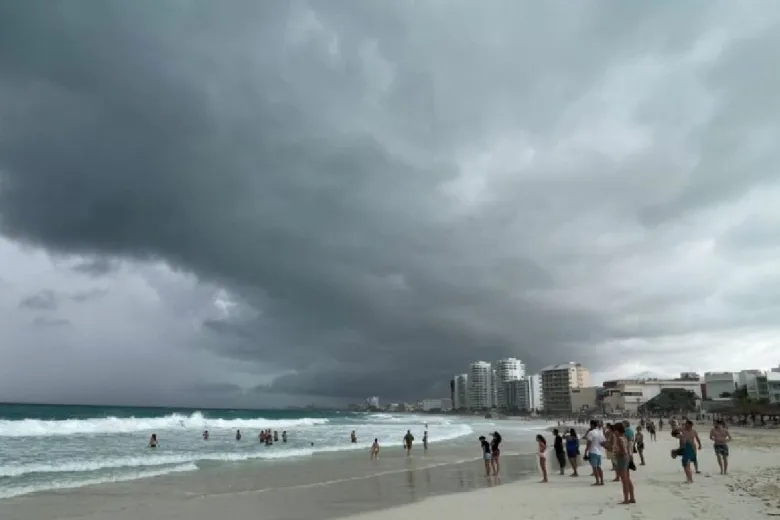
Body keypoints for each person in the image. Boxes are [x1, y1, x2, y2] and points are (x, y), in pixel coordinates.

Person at [612, 422, 636, 504]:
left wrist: (616, 453)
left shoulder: (619, 439)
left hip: (622, 458)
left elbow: (622, 452)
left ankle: (626, 499)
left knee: (624, 480)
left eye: (614, 430)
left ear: (617, 430)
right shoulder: (624, 437)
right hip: (627, 458)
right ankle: (632, 497)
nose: (614, 432)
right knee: (627, 479)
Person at [584, 419, 605, 486]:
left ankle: (597, 481)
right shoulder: (600, 432)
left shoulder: (591, 432)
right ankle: (602, 481)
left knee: (594, 467)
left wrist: (586, 450)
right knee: (599, 467)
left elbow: (589, 442)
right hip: (599, 452)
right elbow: (602, 442)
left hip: (592, 451)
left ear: (592, 425)